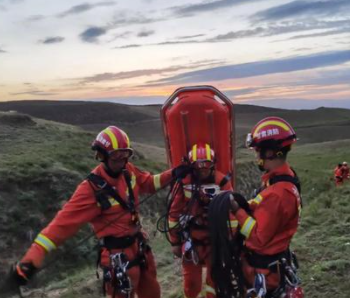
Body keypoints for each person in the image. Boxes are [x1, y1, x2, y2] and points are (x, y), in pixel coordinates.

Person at [11, 126, 190, 298]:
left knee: (152, 292)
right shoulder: (89, 190)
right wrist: (33, 257)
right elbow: (61, 226)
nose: (121, 161)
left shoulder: (128, 171)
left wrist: (174, 173)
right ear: (102, 156)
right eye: (116, 156)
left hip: (140, 249)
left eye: (125, 155)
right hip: (117, 259)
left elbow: (150, 183)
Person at [230, 117, 303, 297]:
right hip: (272, 265)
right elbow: (264, 208)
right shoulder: (282, 179)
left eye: (258, 151)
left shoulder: (278, 194)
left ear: (270, 152)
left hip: (263, 271)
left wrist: (236, 210)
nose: (256, 156)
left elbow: (257, 238)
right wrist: (245, 205)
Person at [167, 143, 234, 298]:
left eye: (207, 165)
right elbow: (174, 214)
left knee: (215, 281)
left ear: (213, 165)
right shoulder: (183, 183)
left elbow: (231, 215)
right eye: (199, 166)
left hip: (215, 241)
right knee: (191, 284)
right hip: (191, 240)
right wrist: (175, 242)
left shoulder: (222, 182)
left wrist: (231, 241)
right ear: (192, 166)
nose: (203, 170)